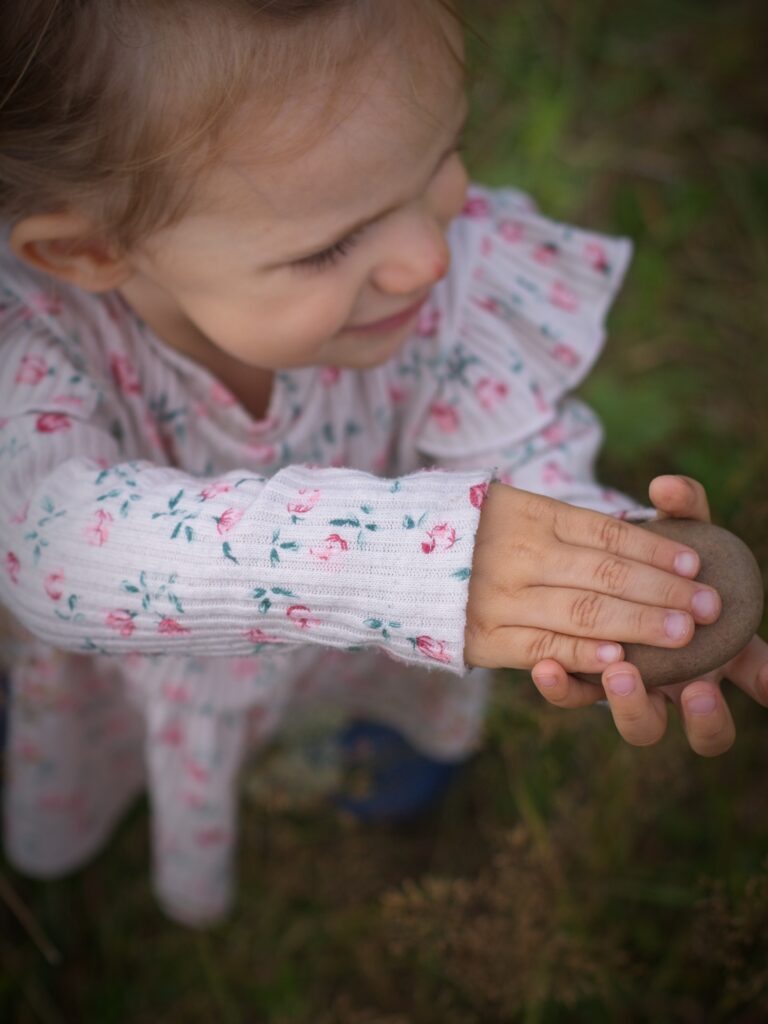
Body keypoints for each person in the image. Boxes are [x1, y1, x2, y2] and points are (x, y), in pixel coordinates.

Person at [0, 0, 765, 926]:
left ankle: (355, 759)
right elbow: (53, 544)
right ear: (90, 250)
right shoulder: (34, 342)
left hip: (367, 663)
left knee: (383, 749)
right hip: (155, 683)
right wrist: (403, 556)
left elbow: (517, 450)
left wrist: (606, 570)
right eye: (328, 246)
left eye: (441, 160)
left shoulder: (446, 283)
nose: (429, 257)